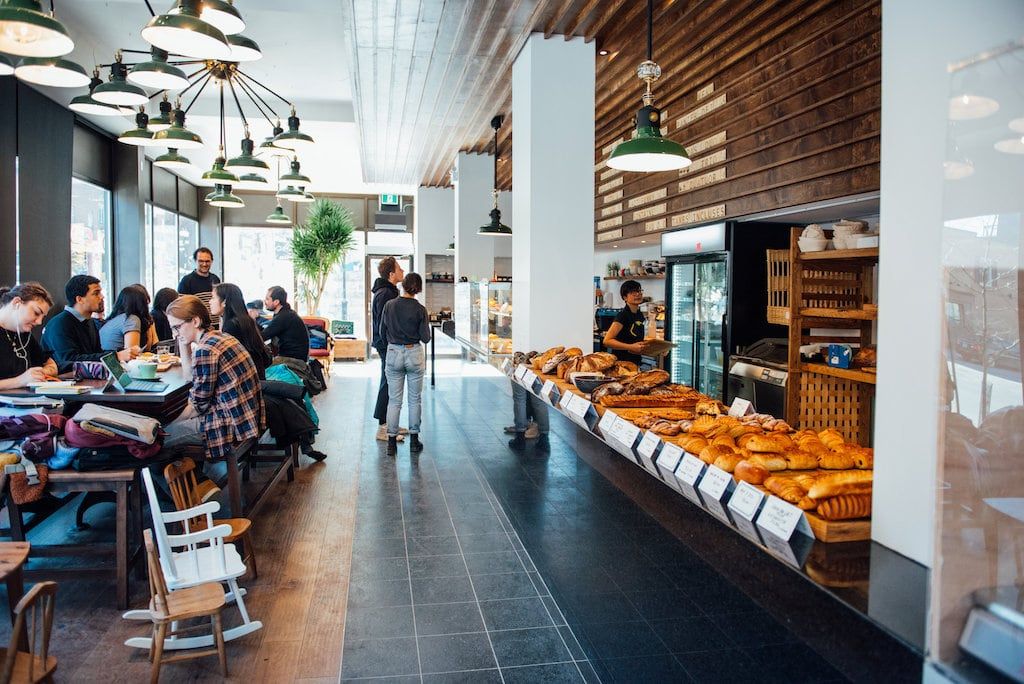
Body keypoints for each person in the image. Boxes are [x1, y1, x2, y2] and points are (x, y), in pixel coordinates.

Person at [163, 295, 263, 461]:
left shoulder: (205, 350)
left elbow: (197, 406)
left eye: (177, 327)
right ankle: (196, 481)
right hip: (246, 419)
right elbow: (190, 377)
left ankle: (198, 484)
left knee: (157, 440)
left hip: (228, 426)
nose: (175, 334)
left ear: (195, 321)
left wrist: (166, 425)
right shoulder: (221, 337)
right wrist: (182, 340)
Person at [379, 272, 431, 456]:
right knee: (415, 399)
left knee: (394, 400)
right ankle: (414, 441)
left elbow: (381, 331)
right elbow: (426, 338)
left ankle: (391, 443)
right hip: (414, 353)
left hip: (393, 352)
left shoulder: (389, 305)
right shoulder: (420, 309)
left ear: (403, 285)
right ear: (418, 289)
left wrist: (393, 345)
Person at [42, 275, 130, 372]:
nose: (102, 297)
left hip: (87, 380)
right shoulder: (59, 324)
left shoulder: (90, 322)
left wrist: (120, 353)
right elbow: (68, 361)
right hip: (63, 384)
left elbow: (95, 353)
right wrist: (116, 356)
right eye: (96, 293)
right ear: (79, 299)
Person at [0, 282, 59, 390]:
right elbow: (22, 380)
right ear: (17, 302)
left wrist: (39, 373)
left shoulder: (24, 335)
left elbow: (51, 365)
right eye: (36, 313)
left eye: (43, 317)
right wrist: (20, 381)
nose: (39, 322)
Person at [371, 256, 405, 442]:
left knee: (391, 383)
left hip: (387, 344)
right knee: (388, 383)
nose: (403, 272)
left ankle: (390, 424)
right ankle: (383, 427)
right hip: (387, 345)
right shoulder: (386, 293)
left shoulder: (388, 291)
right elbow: (386, 323)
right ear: (391, 274)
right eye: (399, 269)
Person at [211, 283, 272, 379]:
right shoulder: (245, 319)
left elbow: (227, 361)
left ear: (224, 302)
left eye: (213, 298)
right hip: (257, 376)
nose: (210, 302)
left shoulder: (231, 326)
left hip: (246, 381)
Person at [99, 284, 156, 353]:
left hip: (107, 361)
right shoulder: (131, 319)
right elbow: (133, 354)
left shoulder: (113, 320)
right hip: (118, 362)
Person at [602, 279, 648, 365]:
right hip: (621, 363)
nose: (637, 294)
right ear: (625, 297)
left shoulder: (639, 314)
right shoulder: (622, 315)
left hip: (635, 362)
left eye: (639, 291)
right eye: (633, 292)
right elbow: (607, 341)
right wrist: (630, 347)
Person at [261, 286, 309, 362]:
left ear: (276, 302)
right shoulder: (285, 313)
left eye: (267, 299)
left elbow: (263, 336)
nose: (264, 301)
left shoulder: (283, 317)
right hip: (293, 357)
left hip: (292, 360)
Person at [177, 247, 221, 324]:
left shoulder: (215, 279)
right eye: (201, 261)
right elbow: (182, 308)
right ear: (195, 261)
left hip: (216, 325)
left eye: (207, 261)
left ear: (212, 261)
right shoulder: (186, 281)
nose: (204, 264)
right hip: (198, 327)